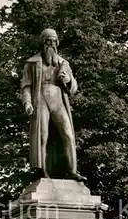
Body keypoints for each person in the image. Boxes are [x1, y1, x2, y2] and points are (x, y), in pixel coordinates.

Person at [21, 28, 85, 181]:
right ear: (43, 43)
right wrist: (27, 102)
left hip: (59, 101)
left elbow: (74, 87)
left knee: (68, 135)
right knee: (43, 136)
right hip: (40, 99)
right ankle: (42, 170)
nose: (50, 44)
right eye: (47, 41)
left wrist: (68, 81)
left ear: (57, 43)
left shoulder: (63, 63)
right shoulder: (32, 63)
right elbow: (26, 86)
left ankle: (72, 171)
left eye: (53, 41)